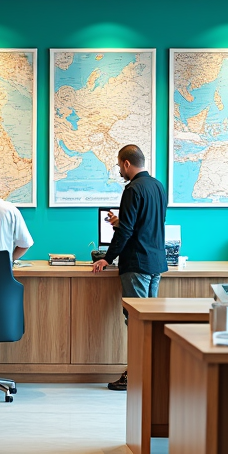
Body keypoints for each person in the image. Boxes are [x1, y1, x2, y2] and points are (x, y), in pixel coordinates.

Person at [92, 145, 168, 391]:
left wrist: (108, 257)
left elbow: (128, 231)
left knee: (136, 322)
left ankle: (134, 374)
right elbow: (147, 224)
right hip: (155, 263)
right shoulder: (158, 186)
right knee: (149, 322)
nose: (120, 171)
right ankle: (151, 373)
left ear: (126, 163)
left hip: (136, 264)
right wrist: (119, 222)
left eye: (119, 165)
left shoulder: (132, 189)